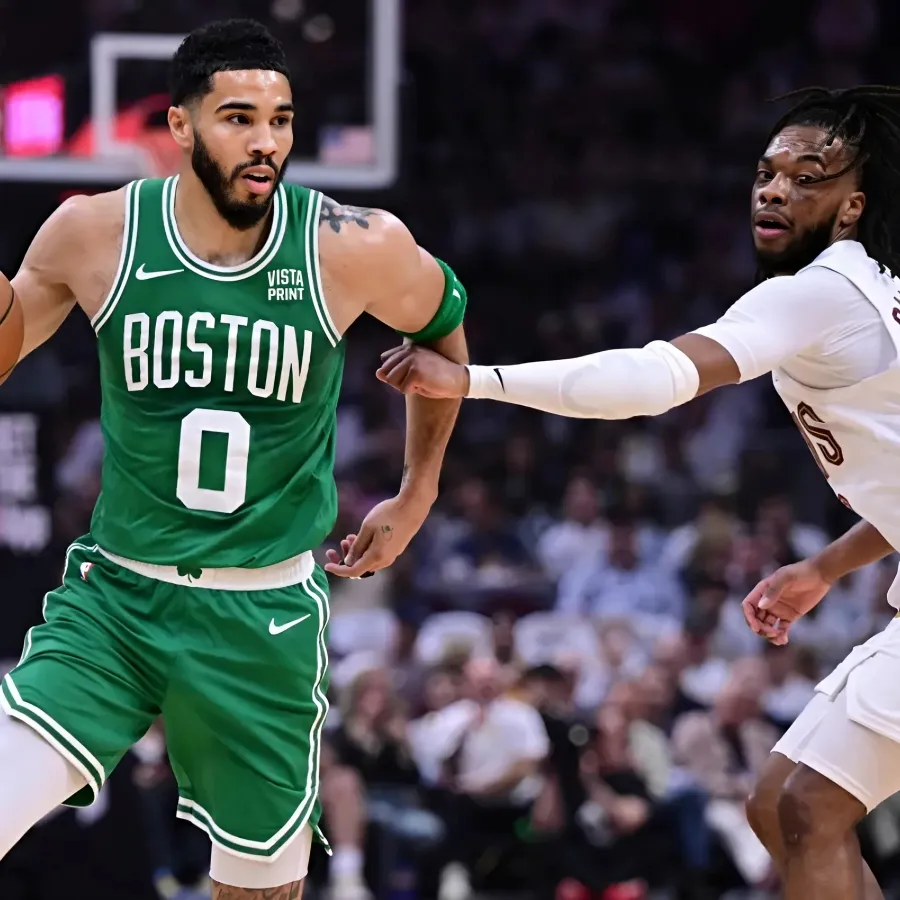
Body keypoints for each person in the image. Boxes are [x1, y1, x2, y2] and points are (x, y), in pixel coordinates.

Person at [376, 85, 900, 900]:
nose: (774, 189)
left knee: (808, 807)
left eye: (807, 177)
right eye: (767, 172)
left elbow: (655, 378)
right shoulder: (863, 289)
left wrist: (474, 380)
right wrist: (827, 568)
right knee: (781, 807)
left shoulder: (820, 293)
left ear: (849, 208)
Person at [0, 19, 469, 900]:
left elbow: (440, 324)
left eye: (282, 120)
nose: (266, 142)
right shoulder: (93, 234)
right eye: (238, 118)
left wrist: (417, 489)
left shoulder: (350, 243)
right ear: (178, 126)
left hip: (261, 619)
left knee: (257, 891)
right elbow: (7, 344)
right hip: (116, 603)